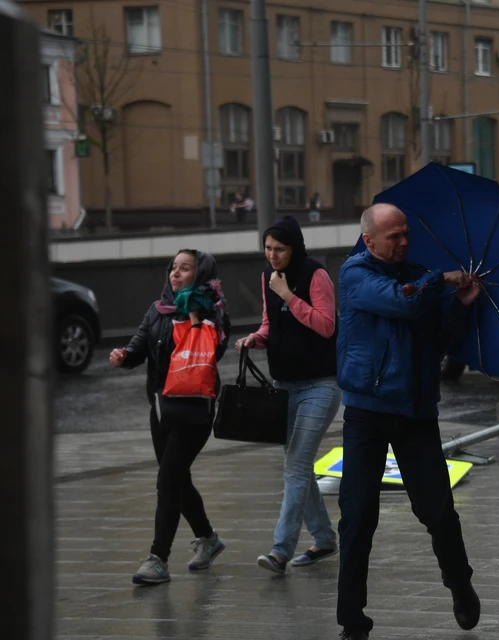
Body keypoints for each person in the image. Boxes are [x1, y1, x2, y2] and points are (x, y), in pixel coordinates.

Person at [335, 203, 482, 640]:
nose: (402, 242)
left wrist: (460, 305)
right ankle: (352, 620)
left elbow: (442, 339)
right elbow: (397, 303)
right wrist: (440, 280)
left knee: (437, 511)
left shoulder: (419, 274)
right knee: (357, 516)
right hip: (366, 411)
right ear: (369, 240)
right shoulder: (355, 274)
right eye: (392, 236)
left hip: (416, 411)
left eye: (404, 234)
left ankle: (459, 583)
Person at [109, 249, 231, 585]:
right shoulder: (157, 309)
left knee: (167, 480)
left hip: (195, 408)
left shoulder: (212, 309)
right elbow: (138, 347)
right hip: (161, 409)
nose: (175, 274)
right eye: (173, 268)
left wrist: (194, 311)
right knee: (177, 478)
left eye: (185, 269)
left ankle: (158, 559)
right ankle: (208, 539)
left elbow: (216, 347)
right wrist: (124, 357)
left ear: (201, 274)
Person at [235, 216, 342, 574]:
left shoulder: (315, 275)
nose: (272, 255)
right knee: (300, 466)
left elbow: (327, 326)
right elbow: (271, 324)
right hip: (285, 387)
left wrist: (289, 296)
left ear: (294, 247)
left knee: (295, 466)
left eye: (279, 249)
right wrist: (256, 338)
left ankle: (280, 550)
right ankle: (324, 539)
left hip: (320, 385)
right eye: (267, 249)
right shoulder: (267, 277)